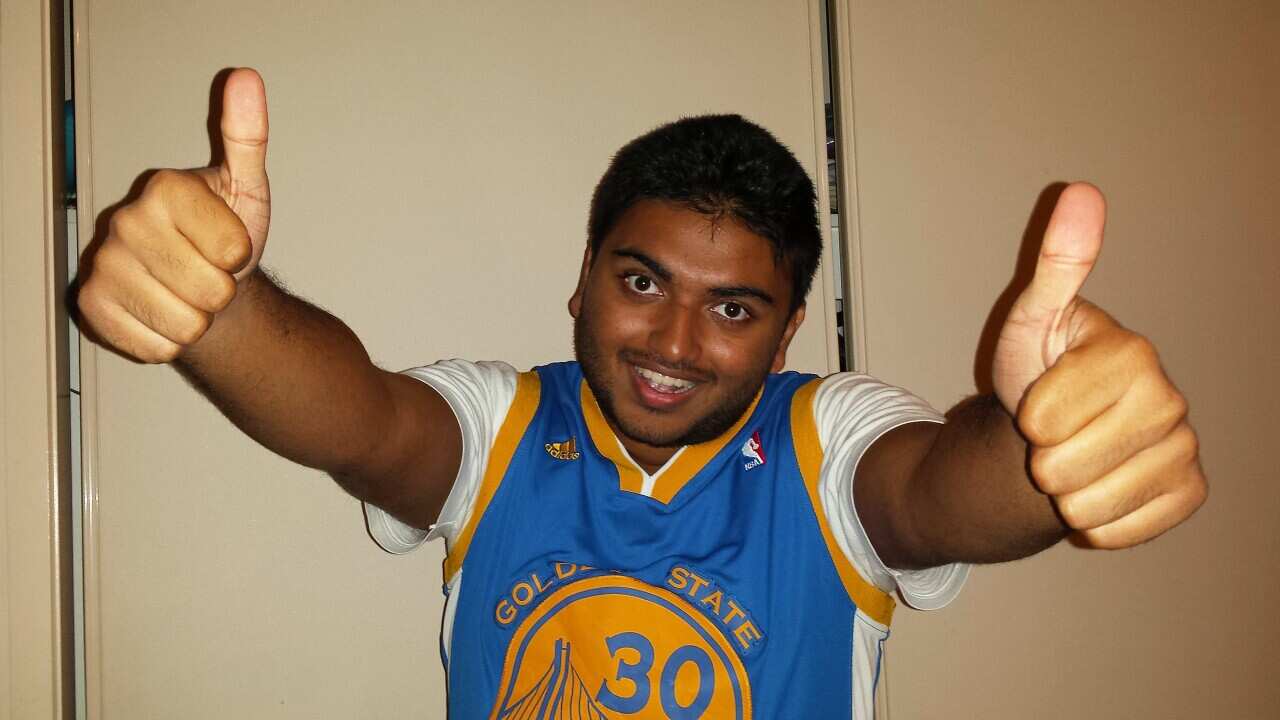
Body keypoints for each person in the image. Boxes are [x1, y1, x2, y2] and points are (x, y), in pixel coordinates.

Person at [76, 68, 1205, 717]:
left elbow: (935, 499)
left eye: (732, 308)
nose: (672, 341)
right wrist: (216, 309)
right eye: (639, 281)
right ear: (581, 280)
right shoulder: (503, 424)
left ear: (785, 334)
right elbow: (358, 420)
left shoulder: (827, 437)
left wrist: (1049, 440)